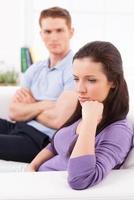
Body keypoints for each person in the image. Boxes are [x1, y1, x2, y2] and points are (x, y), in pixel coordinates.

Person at [26, 41, 133, 190]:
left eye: (91, 80)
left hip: (47, 191)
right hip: (33, 181)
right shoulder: (83, 111)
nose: (79, 89)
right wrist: (32, 167)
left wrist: (90, 121)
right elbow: (54, 146)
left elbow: (80, 179)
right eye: (76, 79)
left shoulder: (118, 131)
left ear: (113, 82)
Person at [0, 7, 78, 163]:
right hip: (18, 127)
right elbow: (14, 112)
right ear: (41, 34)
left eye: (59, 30)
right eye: (48, 31)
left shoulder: (76, 69)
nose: (53, 37)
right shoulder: (34, 69)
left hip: (41, 140)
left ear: (71, 32)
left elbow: (59, 120)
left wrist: (32, 105)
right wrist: (47, 105)